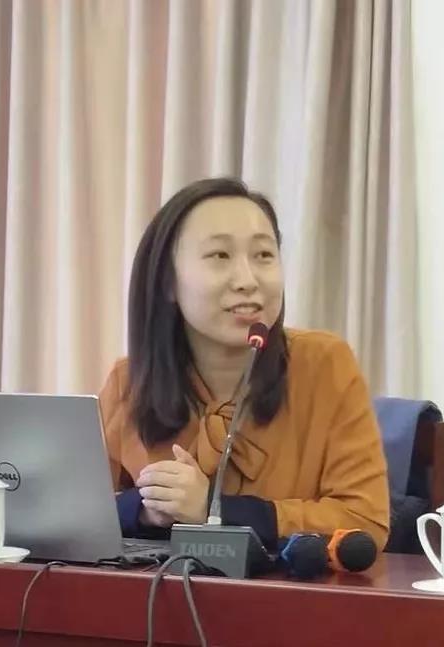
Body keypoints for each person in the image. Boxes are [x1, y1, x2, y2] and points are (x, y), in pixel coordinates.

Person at [98, 177, 390, 553]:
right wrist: (144, 509)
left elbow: (365, 521)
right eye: (220, 256)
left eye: (264, 255)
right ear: (168, 282)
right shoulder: (128, 382)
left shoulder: (324, 364)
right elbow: (78, 515)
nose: (248, 281)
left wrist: (217, 510)